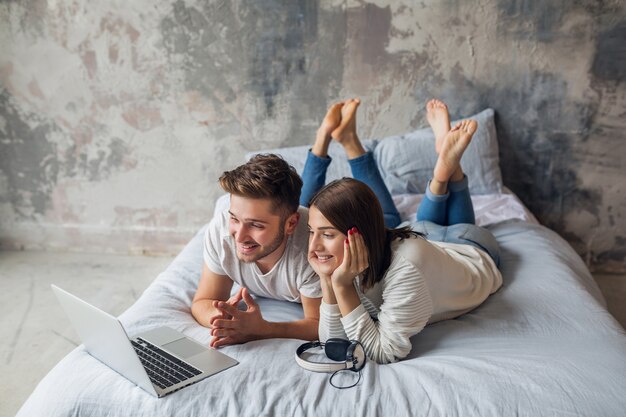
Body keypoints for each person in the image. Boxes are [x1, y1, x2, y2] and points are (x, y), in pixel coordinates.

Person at [302, 98, 503, 364]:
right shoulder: (346, 258)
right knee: (424, 223)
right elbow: (332, 344)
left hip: (470, 249)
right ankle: (445, 167)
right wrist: (329, 282)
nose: (313, 246)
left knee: (459, 225)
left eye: (327, 234)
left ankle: (447, 172)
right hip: (420, 237)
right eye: (311, 232)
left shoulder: (406, 268)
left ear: (359, 235)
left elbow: (385, 352)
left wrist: (341, 285)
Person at [192, 155, 322, 348]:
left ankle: (320, 153)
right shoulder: (221, 232)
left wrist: (263, 330)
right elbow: (203, 301)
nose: (239, 236)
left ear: (291, 224)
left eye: (255, 225)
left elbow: (318, 325)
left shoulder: (314, 248)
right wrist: (225, 321)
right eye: (234, 219)